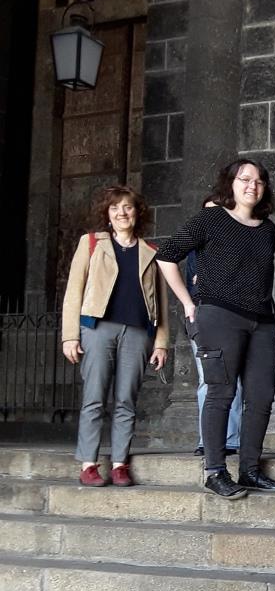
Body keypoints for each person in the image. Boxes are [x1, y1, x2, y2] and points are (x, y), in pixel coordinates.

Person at [157, 158, 275, 499]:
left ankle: (249, 470)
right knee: (220, 393)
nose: (252, 186)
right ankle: (215, 471)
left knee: (260, 397)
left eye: (259, 181)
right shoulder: (212, 218)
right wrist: (188, 303)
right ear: (230, 184)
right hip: (219, 315)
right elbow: (167, 256)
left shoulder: (267, 229)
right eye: (244, 179)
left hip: (261, 320)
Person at [61, 186, 169, 488]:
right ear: (107, 215)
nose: (122, 213)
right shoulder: (92, 243)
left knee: (126, 400)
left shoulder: (152, 251)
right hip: (97, 329)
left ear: (137, 213)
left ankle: (120, 464)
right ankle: (89, 463)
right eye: (115, 208)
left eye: (128, 207)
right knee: (94, 398)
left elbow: (161, 302)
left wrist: (161, 342)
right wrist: (70, 335)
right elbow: (74, 292)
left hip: (137, 331)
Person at [188, 198, 242, 457]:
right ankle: (206, 440)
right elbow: (193, 285)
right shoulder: (194, 248)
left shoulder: (239, 245)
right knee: (206, 380)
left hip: (234, 317)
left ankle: (231, 439)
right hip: (202, 315)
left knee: (234, 380)